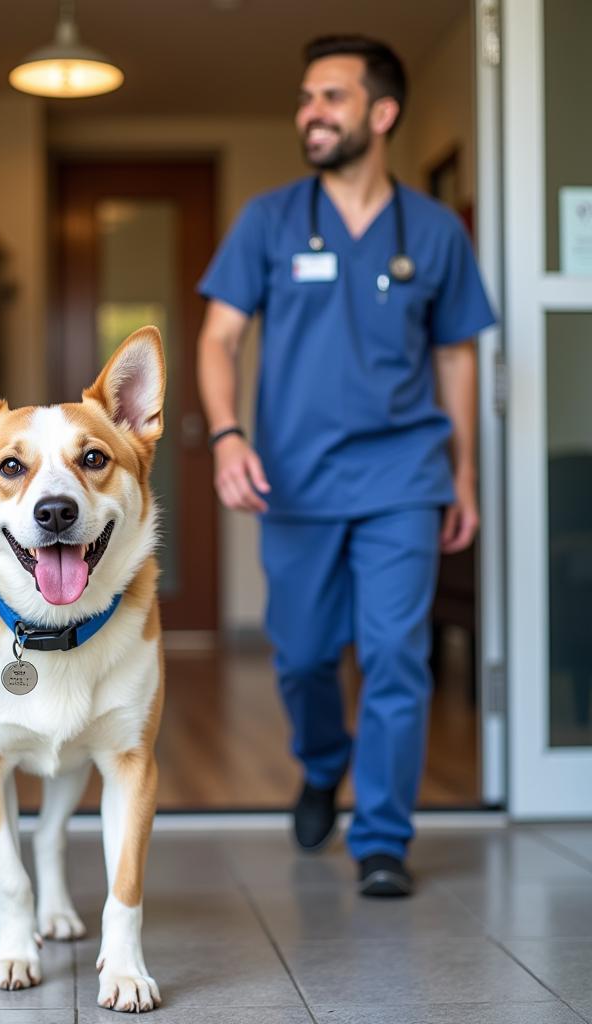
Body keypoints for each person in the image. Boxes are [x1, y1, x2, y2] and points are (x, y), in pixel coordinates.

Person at [196, 35, 495, 897]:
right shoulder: (270, 220)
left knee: (397, 651)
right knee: (300, 657)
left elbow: (457, 360)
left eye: (330, 97)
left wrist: (463, 474)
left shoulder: (434, 232)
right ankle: (323, 763)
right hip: (295, 479)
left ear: (382, 112)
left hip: (404, 477)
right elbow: (220, 337)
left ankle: (384, 839)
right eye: (305, 99)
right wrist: (226, 435)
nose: (311, 114)